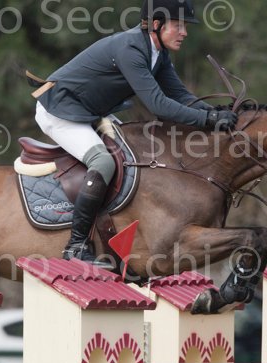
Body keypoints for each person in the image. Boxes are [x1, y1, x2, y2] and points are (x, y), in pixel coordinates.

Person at [33, 0, 238, 263]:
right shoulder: (131, 49)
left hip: (89, 111)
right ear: (156, 25)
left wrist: (219, 115)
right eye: (178, 26)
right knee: (103, 162)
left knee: (135, 155)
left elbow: (182, 96)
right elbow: (159, 105)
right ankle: (76, 245)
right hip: (59, 110)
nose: (184, 33)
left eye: (184, 26)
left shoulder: (158, 53)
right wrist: (208, 119)